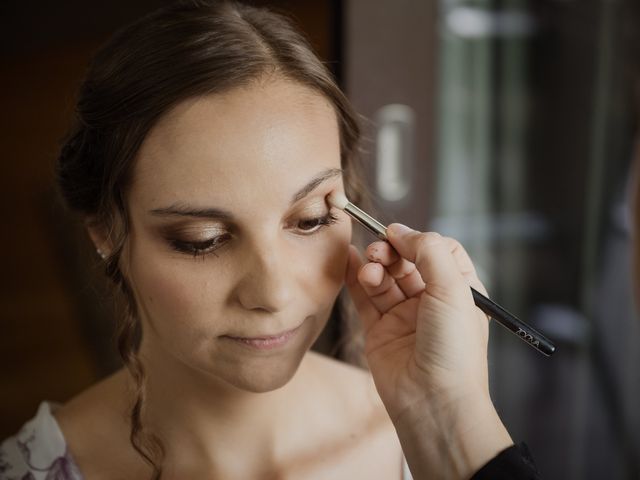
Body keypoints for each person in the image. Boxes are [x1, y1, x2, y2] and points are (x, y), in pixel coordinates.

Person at [0, 1, 540, 479]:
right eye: (202, 238)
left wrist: (445, 416)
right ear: (106, 234)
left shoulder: (432, 443)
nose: (274, 293)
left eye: (309, 220)